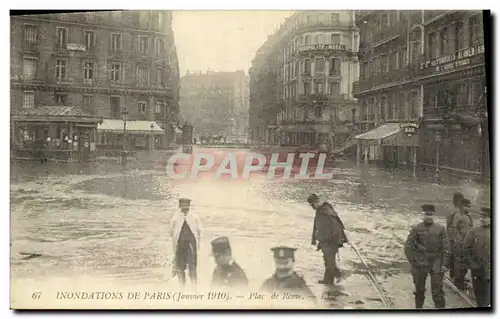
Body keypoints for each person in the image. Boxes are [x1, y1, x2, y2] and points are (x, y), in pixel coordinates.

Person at [404, 204, 450, 309]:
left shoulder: (440, 229)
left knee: (437, 290)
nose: (429, 217)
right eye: (426, 214)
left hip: (436, 262)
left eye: (431, 214)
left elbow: (446, 247)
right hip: (420, 263)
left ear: (433, 215)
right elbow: (408, 247)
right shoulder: (416, 228)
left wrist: (445, 264)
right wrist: (414, 261)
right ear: (422, 215)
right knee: (419, 291)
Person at [307, 193, 348, 285]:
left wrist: (333, 240)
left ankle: (338, 275)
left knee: (329, 261)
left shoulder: (326, 210)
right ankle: (328, 280)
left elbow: (336, 227)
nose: (312, 207)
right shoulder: (321, 210)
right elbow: (317, 226)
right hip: (327, 240)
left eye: (312, 204)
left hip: (331, 241)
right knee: (328, 260)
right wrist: (315, 239)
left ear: (316, 202)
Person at [169, 198, 202, 286]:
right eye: (183, 205)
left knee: (192, 267)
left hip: (191, 245)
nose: (185, 207)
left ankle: (194, 288)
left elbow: (199, 230)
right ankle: (181, 288)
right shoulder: (175, 217)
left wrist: (196, 243)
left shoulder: (194, 216)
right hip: (180, 245)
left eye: (186, 205)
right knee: (180, 268)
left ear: (189, 206)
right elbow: (171, 232)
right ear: (179, 206)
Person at [463, 207, 491, 307]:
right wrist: (472, 264)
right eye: (481, 216)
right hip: (478, 269)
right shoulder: (473, 231)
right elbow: (466, 249)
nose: (482, 219)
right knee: (480, 297)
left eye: (486, 217)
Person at [451, 197, 474, 290]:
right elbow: (460, 231)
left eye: (469, 207)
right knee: (461, 264)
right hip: (462, 243)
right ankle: (458, 283)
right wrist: (461, 242)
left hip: (462, 243)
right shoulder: (462, 217)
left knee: (462, 263)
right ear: (462, 207)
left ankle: (459, 281)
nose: (468, 208)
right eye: (466, 207)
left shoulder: (465, 216)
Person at [446, 192, 464, 279]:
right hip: (454, 238)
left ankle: (453, 275)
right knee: (455, 257)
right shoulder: (453, 212)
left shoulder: (455, 211)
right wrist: (452, 238)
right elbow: (449, 225)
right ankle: (454, 276)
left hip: (455, 237)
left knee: (454, 257)